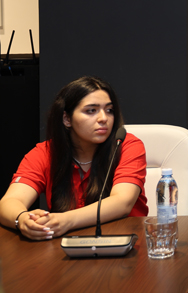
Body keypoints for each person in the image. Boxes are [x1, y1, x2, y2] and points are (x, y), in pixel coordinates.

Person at [0, 77, 147, 241]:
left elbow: (122, 202)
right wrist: (22, 220)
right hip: (67, 246)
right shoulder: (44, 152)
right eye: (91, 111)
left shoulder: (127, 145)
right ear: (67, 119)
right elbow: (10, 201)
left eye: (109, 110)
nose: (103, 118)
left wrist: (65, 220)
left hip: (127, 242)